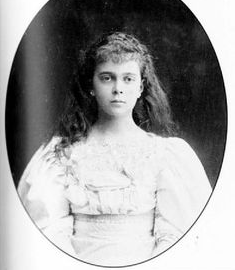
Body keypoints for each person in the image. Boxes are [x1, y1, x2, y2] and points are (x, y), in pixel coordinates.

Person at [18, 32, 212, 266]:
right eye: (107, 78)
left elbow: (176, 235)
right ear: (92, 85)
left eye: (128, 79)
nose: (118, 88)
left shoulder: (165, 154)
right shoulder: (63, 154)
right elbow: (49, 230)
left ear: (141, 87)